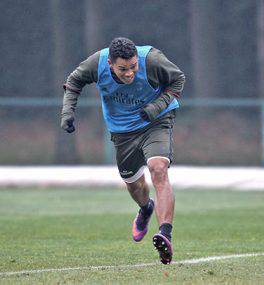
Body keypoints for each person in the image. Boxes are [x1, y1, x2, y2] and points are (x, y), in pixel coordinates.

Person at [60, 37, 185, 264]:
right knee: (134, 184)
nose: (129, 73)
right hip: (122, 131)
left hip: (156, 121)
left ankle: (165, 235)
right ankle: (146, 209)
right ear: (110, 64)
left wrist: (156, 106)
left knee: (159, 168)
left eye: (133, 67)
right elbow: (74, 81)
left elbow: (177, 80)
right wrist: (67, 112)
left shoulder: (153, 59)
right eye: (122, 69)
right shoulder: (96, 63)